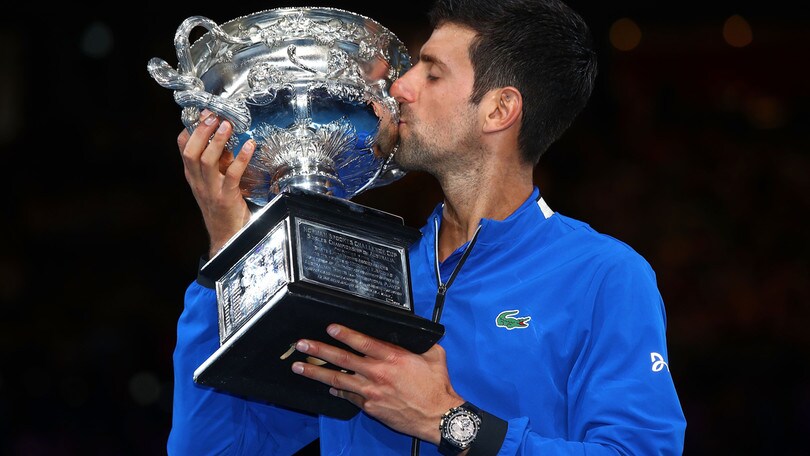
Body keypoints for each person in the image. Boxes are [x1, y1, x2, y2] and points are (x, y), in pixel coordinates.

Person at [167, 0, 687, 454]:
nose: (402, 87)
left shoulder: (602, 276)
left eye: (432, 73)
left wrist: (448, 422)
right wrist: (231, 255)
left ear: (499, 109)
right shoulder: (361, 268)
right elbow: (215, 448)